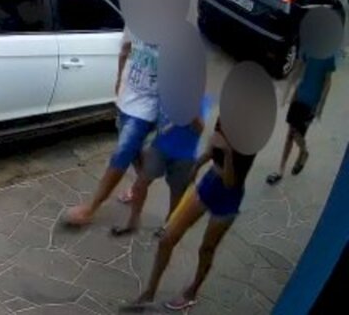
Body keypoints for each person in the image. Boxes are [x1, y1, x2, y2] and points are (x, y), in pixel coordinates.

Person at [126, 121, 255, 311]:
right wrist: (196, 166)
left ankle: (193, 291)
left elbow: (230, 183)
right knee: (167, 238)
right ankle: (149, 292)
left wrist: (228, 152)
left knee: (206, 248)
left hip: (229, 196)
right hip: (208, 184)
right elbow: (212, 150)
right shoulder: (225, 119)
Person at [65, 29, 160, 225]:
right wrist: (119, 80)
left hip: (147, 108)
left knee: (122, 154)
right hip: (127, 101)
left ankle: (91, 209)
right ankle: (141, 184)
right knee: (135, 154)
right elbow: (125, 49)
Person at [111, 99, 208, 237]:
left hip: (184, 155)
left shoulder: (199, 99)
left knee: (177, 192)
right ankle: (133, 222)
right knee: (141, 183)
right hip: (159, 148)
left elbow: (200, 129)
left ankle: (168, 224)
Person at [266, 51, 337, 185]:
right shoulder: (309, 47)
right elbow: (299, 69)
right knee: (290, 134)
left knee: (297, 134)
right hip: (299, 96)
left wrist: (320, 107)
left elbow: (327, 82)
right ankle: (280, 170)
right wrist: (289, 92)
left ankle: (303, 152)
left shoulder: (328, 55)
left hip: (311, 102)